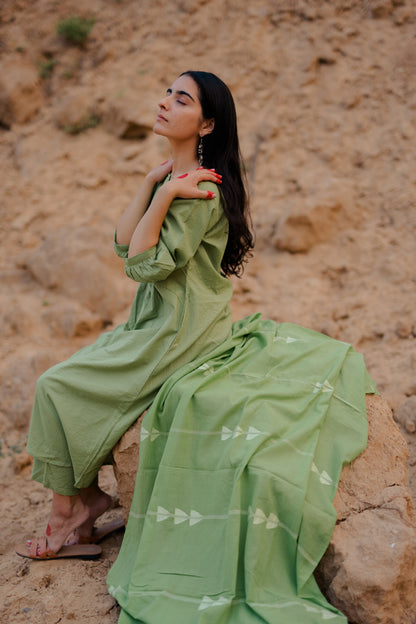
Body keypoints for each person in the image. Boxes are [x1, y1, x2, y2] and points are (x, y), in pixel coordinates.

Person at [16, 70, 254, 560]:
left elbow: (144, 266)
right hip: (154, 319)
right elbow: (124, 243)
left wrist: (165, 195)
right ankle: (84, 502)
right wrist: (152, 182)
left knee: (55, 385)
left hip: (180, 328)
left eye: (182, 99)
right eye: (168, 92)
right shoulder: (173, 179)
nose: (165, 102)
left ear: (207, 125)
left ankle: (68, 513)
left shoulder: (202, 191)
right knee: (60, 383)